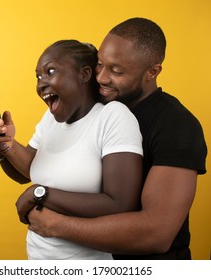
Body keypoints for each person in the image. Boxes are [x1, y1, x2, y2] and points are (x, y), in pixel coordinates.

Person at [25, 18, 208, 260]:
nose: (100, 78)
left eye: (116, 70)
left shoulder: (176, 125)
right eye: (100, 64)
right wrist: (3, 145)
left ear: (152, 72)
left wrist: (56, 225)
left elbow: (157, 233)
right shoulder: (94, 106)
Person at [0, 39, 143, 259]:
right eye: (38, 76)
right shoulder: (51, 119)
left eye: (50, 71)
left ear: (83, 74)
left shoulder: (112, 116)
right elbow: (27, 171)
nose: (41, 83)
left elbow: (121, 203)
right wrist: (3, 146)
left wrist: (40, 194)